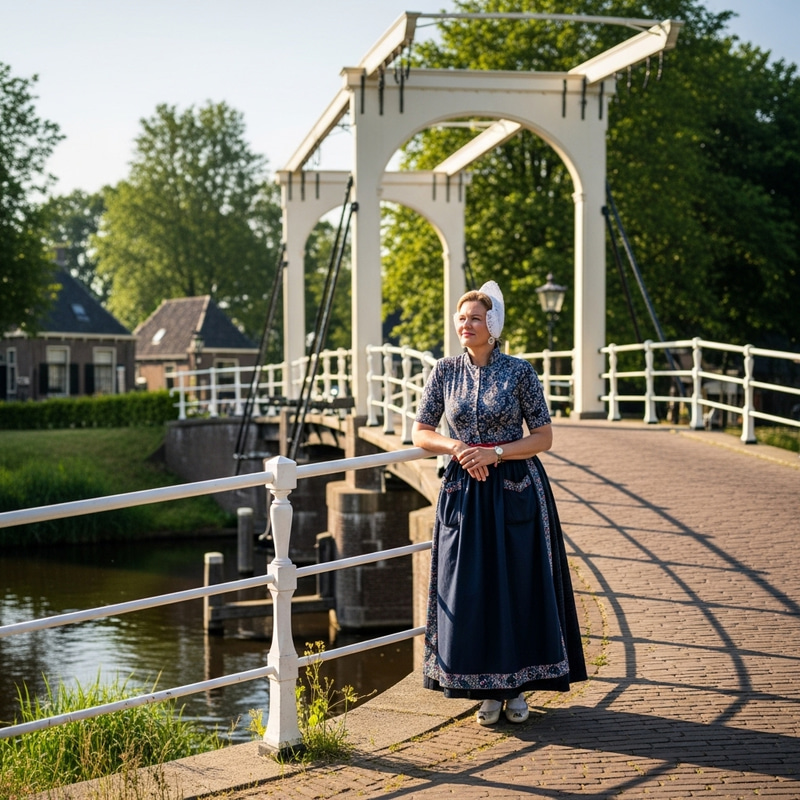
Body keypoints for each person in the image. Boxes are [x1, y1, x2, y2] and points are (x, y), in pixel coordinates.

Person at [411, 281, 587, 726]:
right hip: (463, 491)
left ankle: (518, 689)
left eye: (475, 318)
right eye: (461, 317)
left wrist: (497, 452)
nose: (465, 324)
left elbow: (544, 436)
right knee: (468, 589)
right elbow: (420, 432)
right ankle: (484, 689)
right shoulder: (443, 371)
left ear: (493, 326)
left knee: (516, 585)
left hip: (514, 488)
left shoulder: (520, 372)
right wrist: (457, 449)